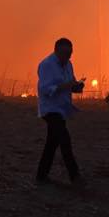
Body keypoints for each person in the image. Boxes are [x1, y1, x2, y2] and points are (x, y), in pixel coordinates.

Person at [36, 37, 85, 186]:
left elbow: (70, 84)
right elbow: (44, 89)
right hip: (50, 109)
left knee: (52, 142)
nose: (68, 57)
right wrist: (65, 86)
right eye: (65, 53)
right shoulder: (46, 65)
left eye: (70, 53)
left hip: (62, 108)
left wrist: (77, 87)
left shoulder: (68, 64)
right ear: (56, 50)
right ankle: (75, 176)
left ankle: (41, 175)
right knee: (64, 139)